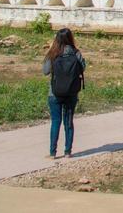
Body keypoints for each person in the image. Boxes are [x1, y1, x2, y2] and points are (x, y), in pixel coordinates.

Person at [43, 27, 87, 159]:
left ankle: (52, 153)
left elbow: (45, 71)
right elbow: (83, 67)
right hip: (71, 93)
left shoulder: (53, 53)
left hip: (55, 93)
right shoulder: (76, 52)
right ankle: (68, 151)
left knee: (56, 121)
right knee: (68, 122)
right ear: (70, 38)